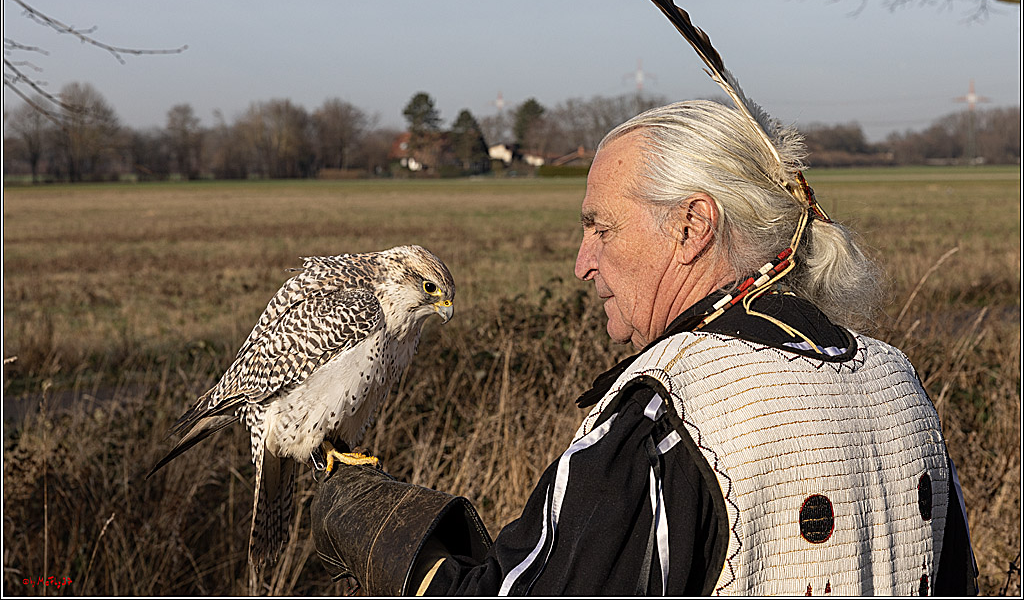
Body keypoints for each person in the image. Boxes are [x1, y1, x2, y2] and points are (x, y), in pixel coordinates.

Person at [309, 99, 979, 596]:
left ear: (692, 226)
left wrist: (384, 533)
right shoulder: (898, 381)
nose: (582, 261)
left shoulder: (667, 415)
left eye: (600, 227)